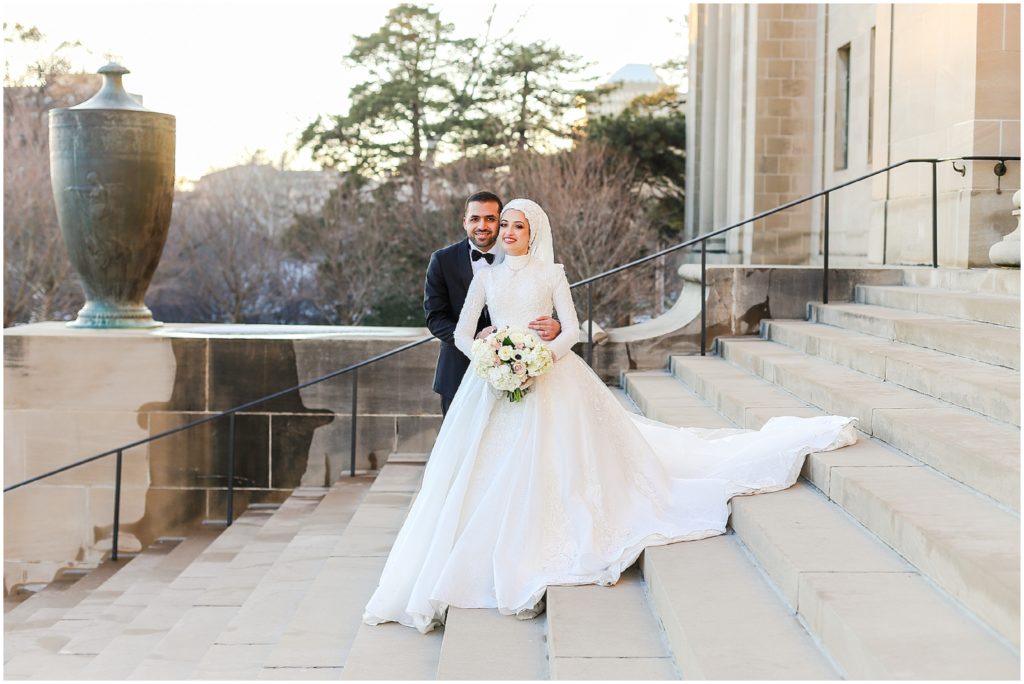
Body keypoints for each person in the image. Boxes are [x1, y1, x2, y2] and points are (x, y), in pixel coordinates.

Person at [364, 199, 857, 633]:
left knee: (557, 460)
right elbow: (465, 332)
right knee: (479, 469)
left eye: (516, 226)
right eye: (504, 225)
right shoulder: (485, 276)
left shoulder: (552, 274)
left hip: (549, 376)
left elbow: (572, 331)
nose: (508, 232)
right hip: (491, 382)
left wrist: (540, 357)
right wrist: (493, 357)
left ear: (531, 232)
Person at [423, 191, 560, 415]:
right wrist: (477, 338)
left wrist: (556, 326)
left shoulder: (521, 254)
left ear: (500, 221)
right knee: (460, 446)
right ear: (464, 221)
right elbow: (435, 318)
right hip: (457, 371)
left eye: (490, 219)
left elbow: (541, 300)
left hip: (521, 369)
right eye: (475, 219)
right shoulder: (442, 261)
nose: (482, 225)